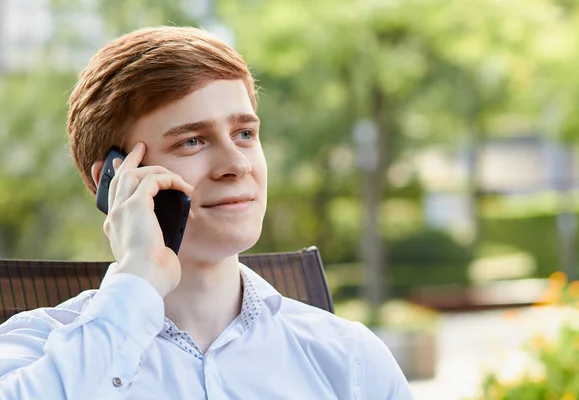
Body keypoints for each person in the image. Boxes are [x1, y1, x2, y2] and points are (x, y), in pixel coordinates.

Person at [0, 26, 414, 399]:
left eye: (245, 134)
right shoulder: (33, 353)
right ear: (113, 181)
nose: (238, 164)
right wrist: (138, 281)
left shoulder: (348, 359)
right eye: (192, 141)